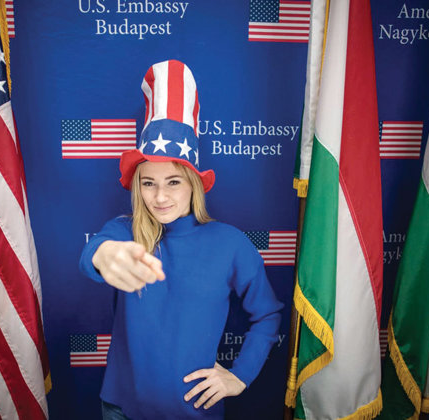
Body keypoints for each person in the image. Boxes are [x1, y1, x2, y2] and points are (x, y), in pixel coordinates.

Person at [79, 59, 283, 420]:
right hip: (120, 410)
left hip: (195, 412)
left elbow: (267, 315)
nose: (160, 197)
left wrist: (240, 375)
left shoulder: (231, 244)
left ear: (193, 184)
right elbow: (94, 253)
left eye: (173, 182)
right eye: (148, 183)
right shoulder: (124, 231)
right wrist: (106, 255)